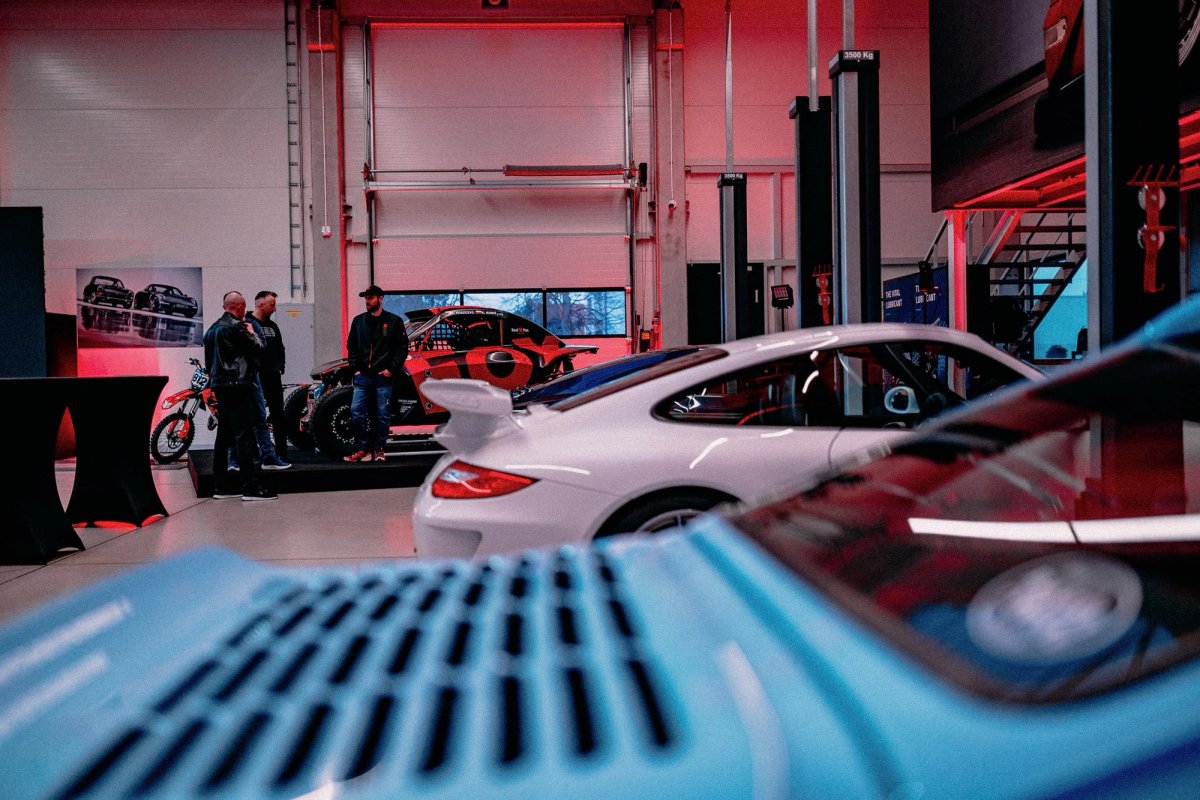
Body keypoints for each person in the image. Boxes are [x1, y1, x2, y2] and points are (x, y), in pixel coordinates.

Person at [203, 291, 277, 501]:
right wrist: (253, 331)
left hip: (221, 386)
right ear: (240, 306)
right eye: (244, 307)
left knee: (223, 436)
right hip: (239, 385)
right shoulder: (238, 327)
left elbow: (210, 363)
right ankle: (250, 488)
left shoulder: (211, 330)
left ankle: (221, 486)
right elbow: (261, 349)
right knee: (244, 436)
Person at [344, 285, 408, 462]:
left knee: (382, 415)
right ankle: (363, 449)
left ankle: (379, 448)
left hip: (383, 377)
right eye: (365, 298)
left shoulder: (394, 321)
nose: (367, 301)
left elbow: (402, 348)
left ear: (381, 299)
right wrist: (355, 369)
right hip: (362, 376)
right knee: (356, 412)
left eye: (371, 298)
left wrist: (391, 369)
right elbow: (352, 346)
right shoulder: (358, 321)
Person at [251, 290, 291, 462]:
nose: (275, 309)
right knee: (255, 417)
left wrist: (280, 366)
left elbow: (280, 347)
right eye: (272, 305)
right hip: (256, 377)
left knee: (278, 415)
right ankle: (254, 455)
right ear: (261, 305)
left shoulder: (273, 326)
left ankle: (281, 454)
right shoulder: (248, 324)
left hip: (273, 376)